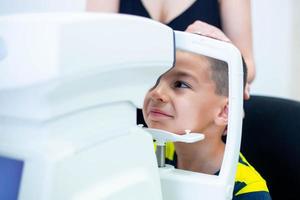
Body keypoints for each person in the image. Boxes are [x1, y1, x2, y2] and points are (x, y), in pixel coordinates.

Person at [143, 49, 271, 199]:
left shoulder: (246, 191)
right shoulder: (145, 155)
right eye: (155, 80)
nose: (156, 93)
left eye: (180, 84)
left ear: (225, 111)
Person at [86, 0, 255, 86]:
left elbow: (247, 65)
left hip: (191, 118)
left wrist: (228, 64)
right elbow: (94, 56)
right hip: (126, 107)